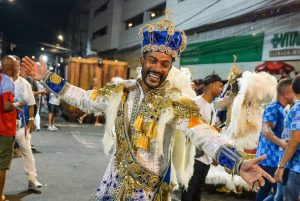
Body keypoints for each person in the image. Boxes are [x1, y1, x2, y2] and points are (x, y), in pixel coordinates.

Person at [22, 17, 275, 200]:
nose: (158, 68)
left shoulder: (177, 102)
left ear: (170, 67)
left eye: (165, 64)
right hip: (113, 182)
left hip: (148, 190)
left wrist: (238, 163)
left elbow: (203, 133)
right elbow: (85, 99)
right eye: (153, 60)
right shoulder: (121, 90)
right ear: (142, 60)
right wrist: (46, 78)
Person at [2, 55, 42, 192]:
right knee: (3, 158)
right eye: (14, 66)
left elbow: (31, 104)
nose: (16, 68)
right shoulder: (3, 81)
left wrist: (31, 121)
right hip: (4, 125)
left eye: (18, 66)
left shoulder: (24, 84)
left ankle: (32, 180)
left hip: (20, 124)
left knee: (27, 151)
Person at [181, 74, 223, 201]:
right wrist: (211, 129)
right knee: (188, 191)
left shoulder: (211, 106)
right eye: (220, 86)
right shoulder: (196, 103)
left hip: (205, 158)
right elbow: (190, 128)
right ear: (211, 85)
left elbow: (209, 131)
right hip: (195, 156)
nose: (222, 89)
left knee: (198, 191)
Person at [255, 78, 294, 201]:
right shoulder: (273, 107)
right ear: (287, 93)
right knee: (267, 194)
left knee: (278, 195)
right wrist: (282, 143)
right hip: (268, 161)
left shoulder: (281, 108)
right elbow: (266, 130)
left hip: (274, 160)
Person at [275, 74, 300, 201]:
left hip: (295, 165)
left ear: (292, 88)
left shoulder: (298, 108)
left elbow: (295, 140)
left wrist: (281, 166)